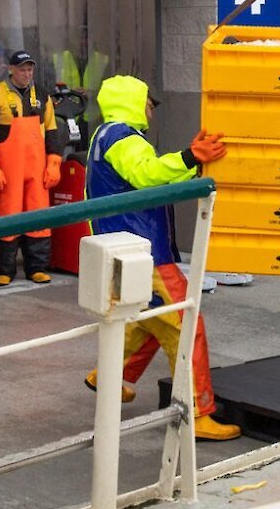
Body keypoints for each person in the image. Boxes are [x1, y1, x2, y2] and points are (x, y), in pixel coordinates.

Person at [80, 75, 240, 441]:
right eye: (149, 104)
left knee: (148, 322)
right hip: (146, 253)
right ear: (135, 102)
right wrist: (190, 156)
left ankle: (104, 378)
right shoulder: (123, 139)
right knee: (186, 325)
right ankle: (199, 413)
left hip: (126, 251)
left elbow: (147, 178)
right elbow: (148, 174)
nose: (151, 111)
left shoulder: (105, 137)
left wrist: (191, 160)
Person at [0, 50, 64, 287]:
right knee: (8, 217)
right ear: (11, 70)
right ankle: (5, 270)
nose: (27, 74)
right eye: (22, 70)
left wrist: (54, 163)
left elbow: (51, 130)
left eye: (30, 70)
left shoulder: (42, 95)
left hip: (36, 169)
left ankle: (37, 268)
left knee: (38, 216)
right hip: (9, 170)